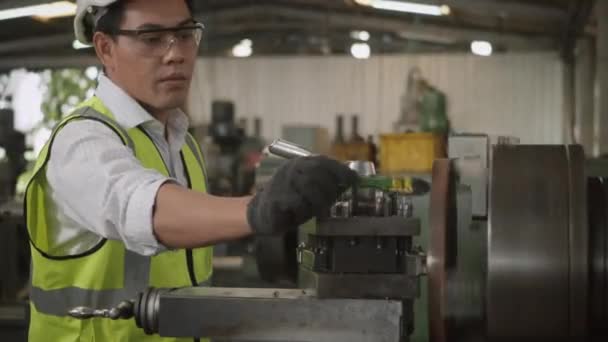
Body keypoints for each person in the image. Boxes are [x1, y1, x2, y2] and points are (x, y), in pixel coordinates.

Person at [24, 0, 358, 341]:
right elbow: (141, 207)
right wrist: (256, 210)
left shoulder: (182, 143)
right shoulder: (81, 141)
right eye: (151, 38)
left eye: (185, 34)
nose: (176, 54)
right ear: (105, 48)